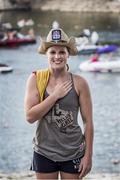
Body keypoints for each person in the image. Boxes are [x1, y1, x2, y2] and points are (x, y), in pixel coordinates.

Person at [24, 28, 94, 180]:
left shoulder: (80, 83)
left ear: (68, 54)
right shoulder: (36, 79)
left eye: (62, 52)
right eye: (52, 52)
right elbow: (30, 117)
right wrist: (54, 96)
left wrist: (88, 156)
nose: (57, 56)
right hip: (44, 151)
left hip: (73, 151)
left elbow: (88, 122)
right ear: (46, 54)